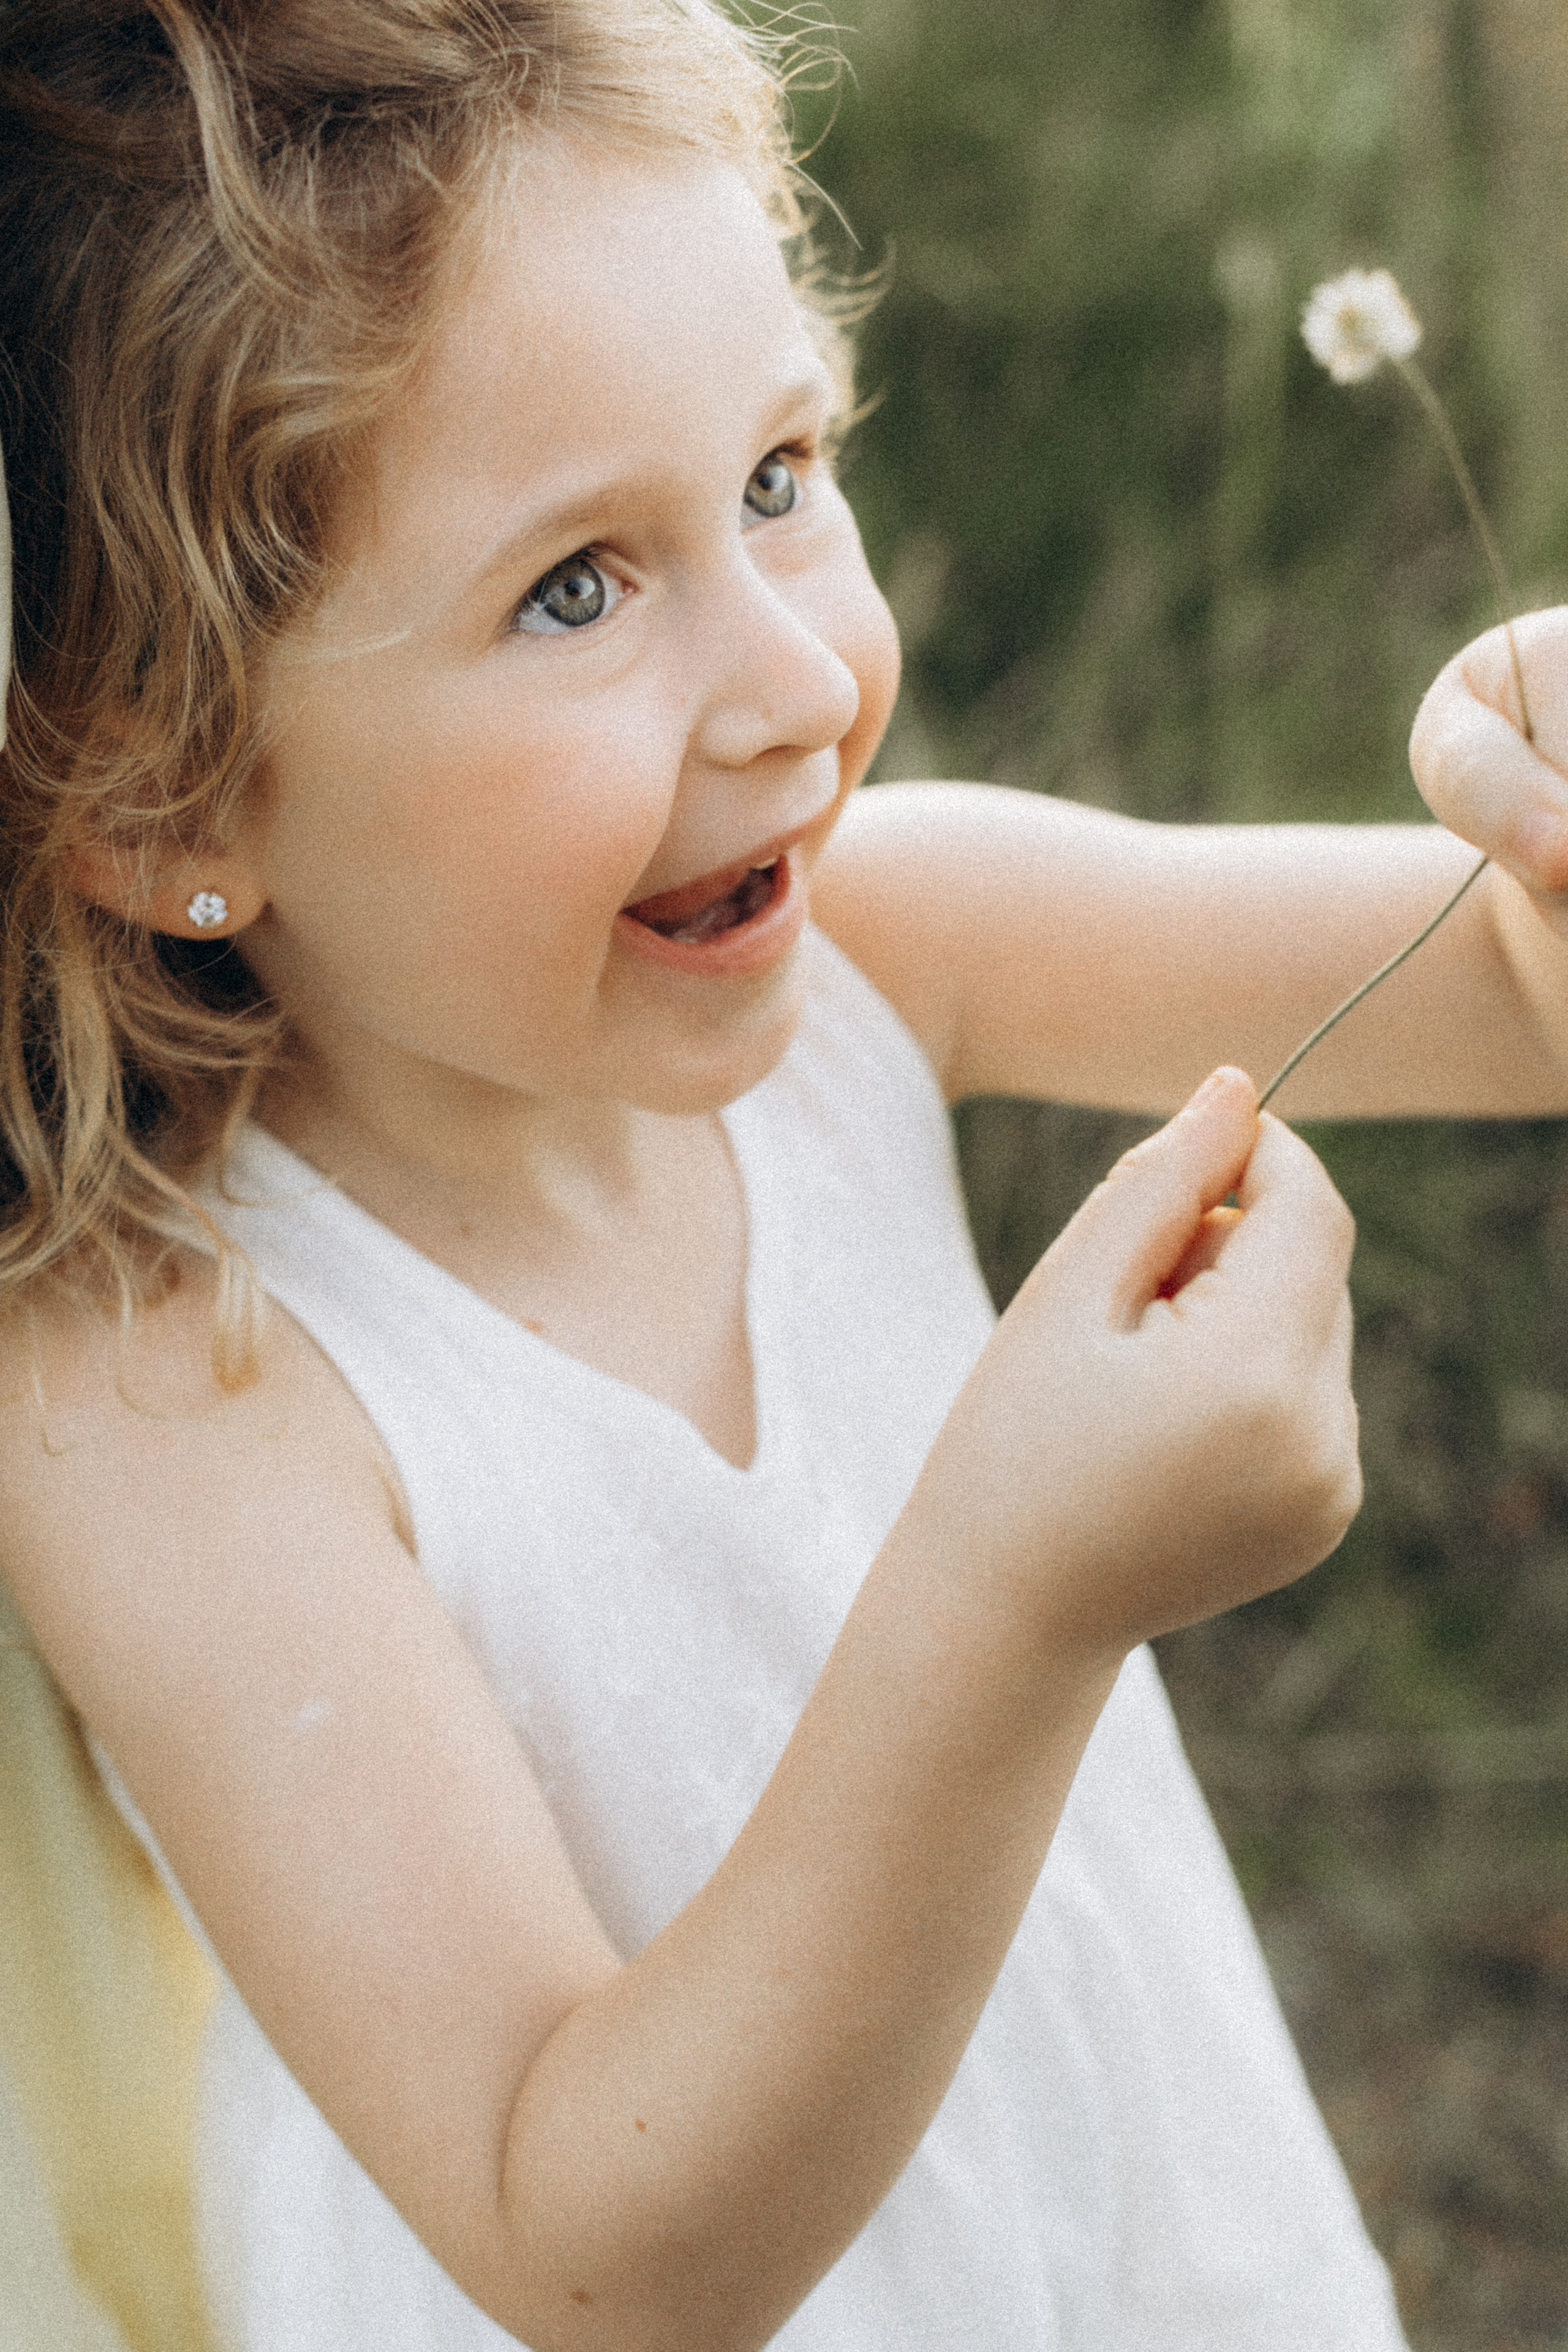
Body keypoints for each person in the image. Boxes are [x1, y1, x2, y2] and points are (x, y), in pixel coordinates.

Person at [1, 4, 1565, 2348]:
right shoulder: (168, 1382)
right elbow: (594, 2246)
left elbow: (1527, 998)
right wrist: (1021, 1593)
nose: (799, 686)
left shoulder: (890, 950)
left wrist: (1532, 792)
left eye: (774, 477)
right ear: (168, 796)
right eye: (573, 589)